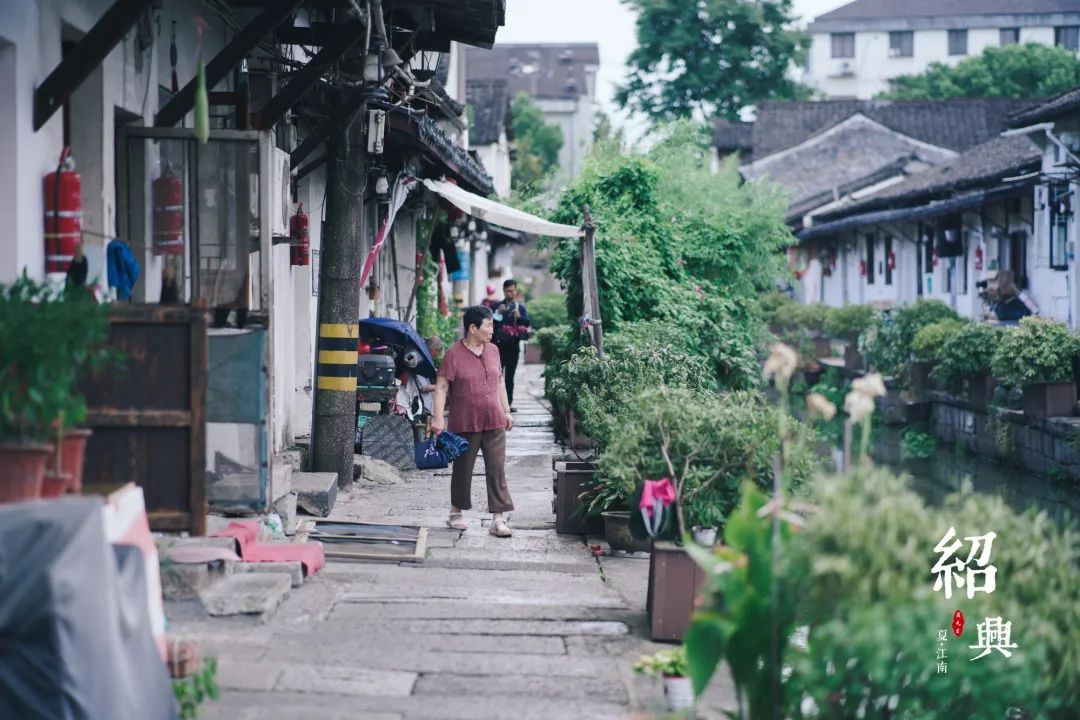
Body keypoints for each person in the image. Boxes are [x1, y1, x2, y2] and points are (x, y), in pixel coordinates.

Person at [431, 305, 515, 537]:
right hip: (465, 421)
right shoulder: (454, 354)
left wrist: (507, 411)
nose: (492, 330)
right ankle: (456, 512)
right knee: (463, 468)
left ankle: (498, 519)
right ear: (472, 328)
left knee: (497, 469)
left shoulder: (494, 350)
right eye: (488, 325)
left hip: (495, 419)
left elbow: (500, 382)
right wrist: (438, 418)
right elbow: (442, 386)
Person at [485, 278, 530, 411]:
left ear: (515, 291)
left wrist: (519, 317)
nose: (509, 293)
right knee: (496, 376)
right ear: (503, 291)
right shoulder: (496, 307)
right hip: (497, 348)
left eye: (512, 291)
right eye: (507, 291)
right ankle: (495, 403)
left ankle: (508, 404)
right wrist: (498, 313)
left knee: (510, 377)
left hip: (513, 347)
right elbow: (487, 324)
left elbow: (527, 323)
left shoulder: (520, 307)